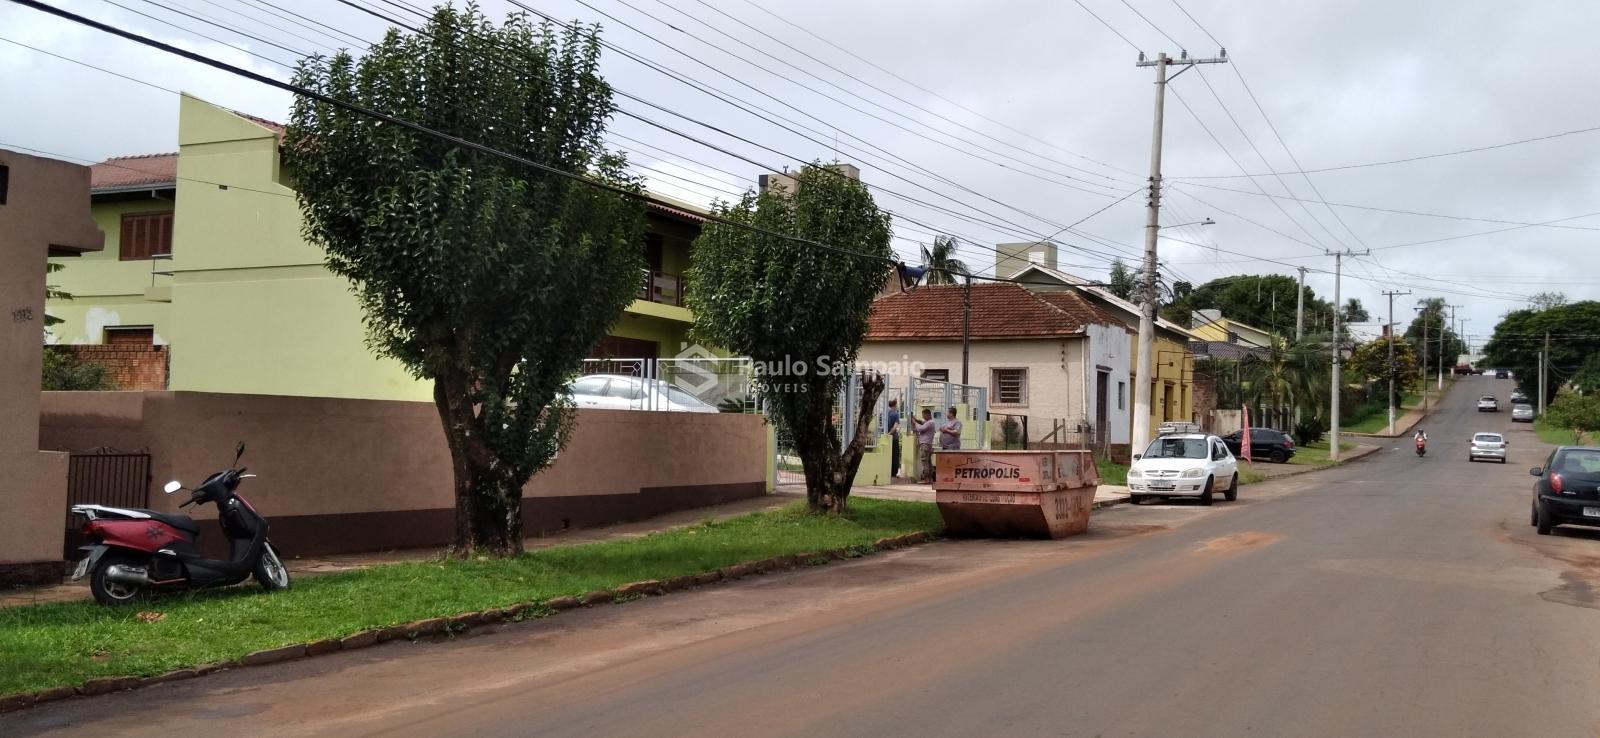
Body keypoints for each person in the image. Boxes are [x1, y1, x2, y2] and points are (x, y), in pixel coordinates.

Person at [913, 408, 938, 483]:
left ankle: (926, 478)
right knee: (928, 462)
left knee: (924, 461)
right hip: (928, 444)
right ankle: (929, 478)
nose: (923, 417)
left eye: (924, 415)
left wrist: (915, 423)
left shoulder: (930, 422)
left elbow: (921, 428)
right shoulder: (929, 422)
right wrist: (916, 420)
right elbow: (922, 422)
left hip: (925, 444)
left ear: (928, 415)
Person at [885, 398, 902, 478]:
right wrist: (890, 434)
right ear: (895, 405)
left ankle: (886, 471)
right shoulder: (895, 414)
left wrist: (886, 435)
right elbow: (895, 427)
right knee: (895, 455)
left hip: (885, 438)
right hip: (893, 438)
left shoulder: (884, 414)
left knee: (887, 455)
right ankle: (893, 473)